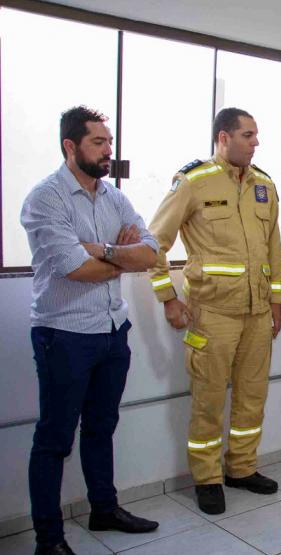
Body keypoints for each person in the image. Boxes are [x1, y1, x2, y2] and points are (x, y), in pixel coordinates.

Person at [21, 106, 159, 555]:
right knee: (55, 438)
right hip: (64, 335)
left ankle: (104, 508)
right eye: (98, 143)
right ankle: (49, 538)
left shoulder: (113, 196)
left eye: (109, 143)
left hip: (111, 330)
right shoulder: (47, 198)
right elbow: (75, 269)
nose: (108, 151)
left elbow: (151, 252)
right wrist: (119, 255)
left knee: (102, 426)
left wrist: (102, 249)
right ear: (70, 146)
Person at [147, 108, 281, 515]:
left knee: (252, 396)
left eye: (256, 135)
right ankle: (207, 477)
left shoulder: (264, 185)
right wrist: (168, 297)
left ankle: (241, 467)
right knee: (208, 400)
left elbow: (273, 250)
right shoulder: (193, 182)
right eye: (247, 135)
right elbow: (154, 242)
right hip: (212, 314)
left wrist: (277, 302)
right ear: (223, 138)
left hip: (258, 312)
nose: (255, 142)